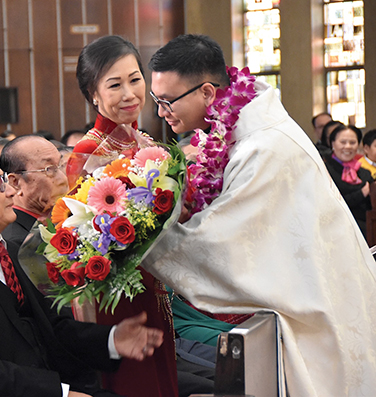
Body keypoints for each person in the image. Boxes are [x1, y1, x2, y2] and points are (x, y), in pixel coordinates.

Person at [145, 33, 376, 395]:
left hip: (317, 313)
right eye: (155, 100)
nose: (161, 111)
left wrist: (137, 244)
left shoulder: (262, 148)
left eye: (166, 100)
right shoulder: (245, 129)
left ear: (207, 92)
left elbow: (225, 246)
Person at [0, 147, 164, 397]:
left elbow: (55, 328)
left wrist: (111, 339)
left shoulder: (16, 251)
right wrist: (60, 393)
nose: (11, 191)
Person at [70, 35, 178, 397]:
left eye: (135, 79)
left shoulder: (144, 142)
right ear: (93, 94)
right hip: (116, 296)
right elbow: (82, 237)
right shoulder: (86, 153)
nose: (130, 93)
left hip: (151, 285)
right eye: (114, 85)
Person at [0, 135, 69, 248]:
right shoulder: (16, 242)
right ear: (15, 182)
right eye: (49, 169)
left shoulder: (59, 221)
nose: (63, 179)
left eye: (61, 166)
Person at [324, 124, 372, 236]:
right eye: (343, 142)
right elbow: (332, 204)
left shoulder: (364, 172)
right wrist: (362, 193)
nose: (348, 146)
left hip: (366, 230)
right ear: (333, 144)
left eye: (352, 142)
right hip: (337, 230)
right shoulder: (326, 171)